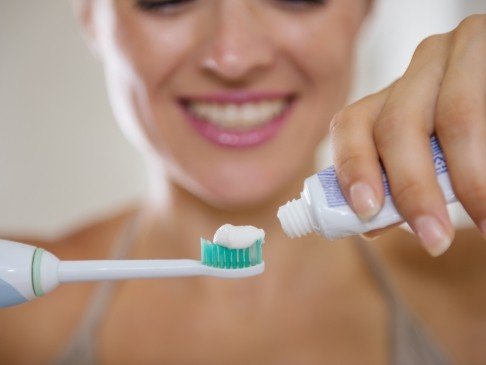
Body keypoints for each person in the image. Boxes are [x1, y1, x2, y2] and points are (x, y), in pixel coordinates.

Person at [0, 1, 485, 364]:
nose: (233, 58)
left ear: (364, 8)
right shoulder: (16, 326)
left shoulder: (473, 299)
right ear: (89, 13)